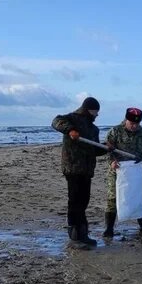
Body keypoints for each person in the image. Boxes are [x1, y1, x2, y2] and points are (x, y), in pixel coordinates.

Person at [51, 97, 109, 248]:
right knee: (75, 201)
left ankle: (83, 234)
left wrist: (106, 148)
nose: (97, 115)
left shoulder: (93, 129)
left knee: (84, 201)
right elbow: (56, 121)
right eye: (96, 112)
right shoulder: (71, 119)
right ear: (88, 110)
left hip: (87, 170)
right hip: (73, 168)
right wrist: (70, 130)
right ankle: (76, 236)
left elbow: (94, 150)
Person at [104, 107, 142, 237]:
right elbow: (107, 149)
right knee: (113, 198)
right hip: (117, 171)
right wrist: (111, 162)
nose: (134, 126)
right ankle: (109, 229)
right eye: (132, 123)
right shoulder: (115, 131)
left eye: (137, 124)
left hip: (135, 171)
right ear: (126, 120)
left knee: (139, 197)